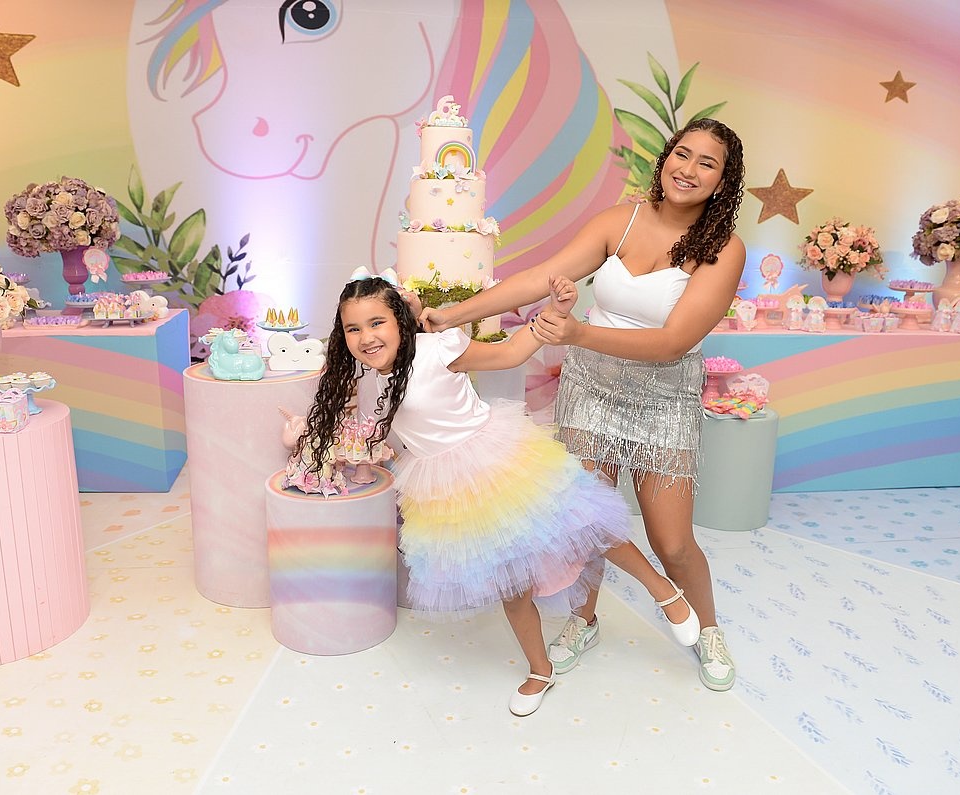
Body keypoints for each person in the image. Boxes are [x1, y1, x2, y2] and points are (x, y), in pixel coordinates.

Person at [421, 117, 746, 691]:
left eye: (707, 163)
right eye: (683, 154)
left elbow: (673, 342)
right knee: (584, 522)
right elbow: (540, 278)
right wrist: (452, 315)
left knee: (672, 542)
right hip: (591, 388)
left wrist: (579, 334)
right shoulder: (620, 221)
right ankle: (584, 620)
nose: (688, 169)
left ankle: (709, 628)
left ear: (722, 182)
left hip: (664, 396)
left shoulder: (725, 249)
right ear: (666, 158)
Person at [296, 273, 699, 716]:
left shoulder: (437, 349)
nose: (366, 337)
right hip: (448, 488)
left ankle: (666, 593)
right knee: (511, 583)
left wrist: (556, 312)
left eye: (377, 323)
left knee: (584, 523)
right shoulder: (372, 383)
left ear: (398, 321)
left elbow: (510, 353)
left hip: (497, 460)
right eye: (353, 329)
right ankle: (540, 670)